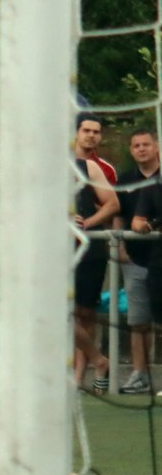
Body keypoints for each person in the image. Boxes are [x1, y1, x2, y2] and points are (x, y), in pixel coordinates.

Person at [74, 128, 120, 393]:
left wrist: (87, 223)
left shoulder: (88, 167)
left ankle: (80, 375)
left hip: (87, 251)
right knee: (57, 313)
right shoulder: (36, 170)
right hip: (53, 252)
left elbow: (112, 204)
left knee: (84, 313)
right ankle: (99, 360)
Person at [114, 129, 160, 394]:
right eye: (136, 145)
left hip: (160, 259)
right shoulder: (126, 180)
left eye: (146, 144)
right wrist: (120, 246)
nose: (141, 149)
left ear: (156, 147)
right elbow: (120, 215)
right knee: (138, 320)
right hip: (135, 260)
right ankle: (140, 374)